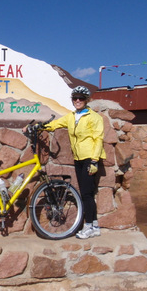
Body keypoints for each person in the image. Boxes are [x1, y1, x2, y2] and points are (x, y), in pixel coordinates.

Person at [30, 86, 106, 239]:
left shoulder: (94, 117)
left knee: (86, 194)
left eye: (81, 98)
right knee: (87, 193)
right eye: (75, 98)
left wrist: (94, 161)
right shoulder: (72, 116)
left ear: (87, 100)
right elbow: (56, 124)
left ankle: (89, 226)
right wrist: (40, 127)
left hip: (89, 158)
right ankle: (95, 226)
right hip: (78, 158)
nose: (78, 100)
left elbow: (98, 139)